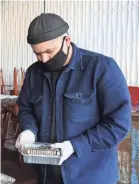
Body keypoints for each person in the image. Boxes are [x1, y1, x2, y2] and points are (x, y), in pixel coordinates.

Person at [15, 13, 131, 184]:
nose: (44, 59)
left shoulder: (101, 68)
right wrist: (29, 131)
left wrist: (74, 146)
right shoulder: (34, 73)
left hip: (90, 176)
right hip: (47, 174)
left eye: (49, 51)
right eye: (37, 54)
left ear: (67, 40)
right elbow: (26, 108)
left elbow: (118, 124)